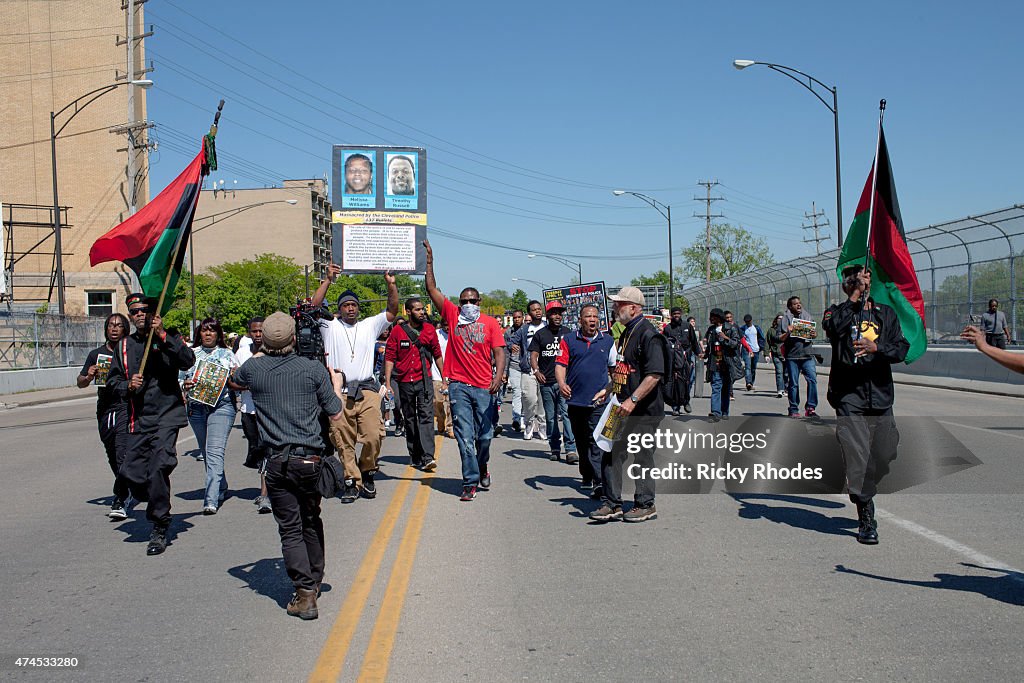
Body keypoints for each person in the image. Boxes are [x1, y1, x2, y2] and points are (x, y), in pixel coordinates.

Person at [231, 312, 344, 620]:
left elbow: (234, 380)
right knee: (310, 519)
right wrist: (335, 384)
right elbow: (335, 414)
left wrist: (261, 353)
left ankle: (305, 592)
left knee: (290, 529)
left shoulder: (254, 368)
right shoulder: (312, 369)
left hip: (277, 461)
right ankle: (315, 580)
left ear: (262, 340)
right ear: (295, 339)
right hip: (310, 459)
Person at [822, 266, 909, 545]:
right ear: (848, 285)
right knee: (858, 454)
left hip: (880, 394)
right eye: (856, 280)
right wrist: (856, 295)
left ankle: (868, 475)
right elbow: (833, 329)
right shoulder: (836, 312)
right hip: (850, 395)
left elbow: (901, 348)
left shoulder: (886, 314)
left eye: (866, 278)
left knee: (885, 450)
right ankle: (866, 517)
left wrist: (877, 349)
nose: (862, 282)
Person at [106, 293, 196, 555]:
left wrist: (163, 336)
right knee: (130, 472)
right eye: (135, 312)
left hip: (167, 416)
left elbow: (188, 361)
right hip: (138, 417)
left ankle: (159, 523)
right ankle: (152, 495)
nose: (140, 315)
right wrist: (127, 385)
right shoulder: (124, 346)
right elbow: (111, 383)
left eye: (145, 310)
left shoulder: (170, 338)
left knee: (158, 468)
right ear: (130, 316)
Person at [423, 240, 506, 501]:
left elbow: (499, 353)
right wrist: (429, 261)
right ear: (459, 303)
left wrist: (498, 376)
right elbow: (431, 289)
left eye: (472, 300)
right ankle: (469, 481)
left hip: (485, 386)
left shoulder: (490, 323)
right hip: (458, 384)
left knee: (485, 436)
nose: (468, 304)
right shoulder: (451, 315)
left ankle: (482, 466)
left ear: (479, 301)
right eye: (464, 301)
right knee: (464, 437)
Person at [311, 263, 399, 502]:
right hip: (339, 392)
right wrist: (328, 280)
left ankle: (367, 470)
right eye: (346, 305)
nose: (350, 308)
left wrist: (391, 285)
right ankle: (352, 480)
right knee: (343, 439)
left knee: (374, 435)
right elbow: (312, 307)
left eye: (354, 305)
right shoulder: (329, 327)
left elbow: (392, 310)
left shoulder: (369, 325)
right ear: (339, 309)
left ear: (359, 309)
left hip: (367, 389)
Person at [589, 286, 666, 523]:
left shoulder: (648, 334)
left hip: (643, 410)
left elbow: (654, 374)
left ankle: (645, 504)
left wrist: (633, 400)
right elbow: (624, 370)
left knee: (642, 456)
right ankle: (612, 503)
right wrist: (608, 389)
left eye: (619, 304)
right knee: (610, 452)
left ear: (633, 308)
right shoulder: (625, 332)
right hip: (619, 406)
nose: (614, 307)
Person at [555, 304, 616, 497]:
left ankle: (600, 482)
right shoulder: (569, 340)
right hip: (575, 401)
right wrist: (562, 383)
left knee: (596, 440)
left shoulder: (607, 341)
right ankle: (587, 474)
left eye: (595, 317)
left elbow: (615, 371)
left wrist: (609, 390)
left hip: (599, 402)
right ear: (580, 320)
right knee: (582, 441)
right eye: (588, 316)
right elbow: (560, 364)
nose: (592, 320)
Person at [181, 317, 239, 515]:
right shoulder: (190, 354)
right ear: (199, 334)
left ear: (218, 334)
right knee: (206, 452)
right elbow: (179, 380)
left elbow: (238, 383)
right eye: (204, 330)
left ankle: (210, 499)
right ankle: (221, 486)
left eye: (212, 331)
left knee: (215, 451)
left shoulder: (228, 354)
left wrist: (234, 377)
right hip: (196, 408)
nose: (208, 334)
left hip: (221, 407)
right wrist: (184, 385)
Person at [78, 312, 132, 520]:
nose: (114, 328)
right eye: (111, 325)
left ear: (125, 329)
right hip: (106, 408)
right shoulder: (97, 354)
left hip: (126, 406)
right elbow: (81, 382)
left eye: (119, 325)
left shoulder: (131, 351)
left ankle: (120, 497)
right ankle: (125, 486)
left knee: (122, 453)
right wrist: (89, 375)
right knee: (112, 454)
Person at [384, 298, 443, 470]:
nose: (422, 312)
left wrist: (444, 377)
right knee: (409, 418)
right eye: (417, 309)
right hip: (404, 382)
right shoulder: (397, 331)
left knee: (426, 417)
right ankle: (415, 453)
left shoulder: (430, 330)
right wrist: (388, 383)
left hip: (423, 381)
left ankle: (428, 456)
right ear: (408, 312)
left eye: (423, 309)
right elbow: (389, 358)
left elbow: (437, 354)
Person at [530, 301, 578, 462]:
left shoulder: (568, 333)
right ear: (548, 315)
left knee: (567, 415)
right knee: (550, 417)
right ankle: (555, 447)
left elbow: (574, 355)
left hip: (564, 382)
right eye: (554, 313)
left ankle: (570, 449)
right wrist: (536, 371)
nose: (558, 316)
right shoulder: (540, 334)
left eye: (560, 313)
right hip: (547, 382)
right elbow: (533, 355)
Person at [236, 317, 272, 514]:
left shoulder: (274, 351)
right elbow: (233, 380)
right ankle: (266, 483)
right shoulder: (242, 353)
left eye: (261, 331)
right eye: (254, 331)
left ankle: (265, 494)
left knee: (268, 450)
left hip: (269, 411)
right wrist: (247, 385)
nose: (258, 335)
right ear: (249, 332)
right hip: (248, 410)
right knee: (257, 451)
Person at [508, 300, 546, 440]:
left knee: (542, 401)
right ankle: (529, 423)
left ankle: (542, 426)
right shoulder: (524, 329)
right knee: (529, 399)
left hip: (545, 370)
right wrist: (512, 345)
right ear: (529, 313)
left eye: (539, 309)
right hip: (528, 369)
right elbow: (511, 341)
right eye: (534, 309)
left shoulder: (547, 327)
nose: (537, 311)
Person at [780, 296, 819, 418]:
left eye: (799, 303)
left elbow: (813, 334)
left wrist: (814, 334)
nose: (798, 305)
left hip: (807, 355)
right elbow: (780, 338)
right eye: (795, 304)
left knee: (812, 380)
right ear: (790, 307)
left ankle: (811, 407)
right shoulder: (785, 319)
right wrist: (788, 332)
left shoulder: (807, 316)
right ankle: (793, 408)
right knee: (793, 384)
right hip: (792, 356)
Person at [702, 308, 741, 422]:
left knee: (726, 388)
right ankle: (715, 413)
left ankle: (725, 411)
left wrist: (725, 338)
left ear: (718, 317)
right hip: (715, 362)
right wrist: (704, 355)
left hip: (727, 363)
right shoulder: (711, 330)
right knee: (716, 387)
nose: (710, 319)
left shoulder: (731, 328)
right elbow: (709, 346)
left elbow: (735, 344)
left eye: (712, 317)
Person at [662, 306, 698, 415]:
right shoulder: (668, 328)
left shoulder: (687, 326)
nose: (676, 315)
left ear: (681, 314)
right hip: (673, 359)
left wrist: (699, 353)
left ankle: (686, 401)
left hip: (687, 356)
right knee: (675, 382)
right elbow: (664, 344)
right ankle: (675, 407)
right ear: (671, 315)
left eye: (678, 313)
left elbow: (694, 341)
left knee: (689, 380)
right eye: (674, 314)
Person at [431, 318, 454, 439]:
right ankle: (441, 421)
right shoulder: (436, 334)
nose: (447, 327)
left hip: (452, 376)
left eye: (449, 325)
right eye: (445, 325)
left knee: (452, 404)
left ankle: (451, 427)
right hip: (437, 375)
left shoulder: (456, 334)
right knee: (437, 402)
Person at [503, 310, 525, 431]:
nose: (517, 319)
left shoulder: (528, 330)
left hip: (527, 367)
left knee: (526, 394)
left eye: (519, 317)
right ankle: (516, 418)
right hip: (514, 366)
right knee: (517, 392)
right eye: (515, 317)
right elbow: (505, 354)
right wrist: (505, 372)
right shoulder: (508, 333)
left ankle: (524, 417)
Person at [765, 314, 790, 399]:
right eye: (779, 319)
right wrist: (766, 354)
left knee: (786, 373)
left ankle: (786, 389)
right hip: (776, 354)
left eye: (782, 319)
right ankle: (780, 390)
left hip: (787, 354)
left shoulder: (787, 330)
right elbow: (767, 342)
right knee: (779, 372)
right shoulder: (771, 330)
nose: (780, 320)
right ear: (776, 320)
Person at [739, 314, 766, 391]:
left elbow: (761, 338)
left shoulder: (756, 328)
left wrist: (762, 347)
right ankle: (748, 383)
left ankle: (752, 382)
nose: (748, 323)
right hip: (746, 350)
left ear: (751, 321)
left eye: (749, 321)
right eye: (746, 322)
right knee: (748, 367)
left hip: (756, 350)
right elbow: (741, 339)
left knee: (753, 368)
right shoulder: (743, 329)